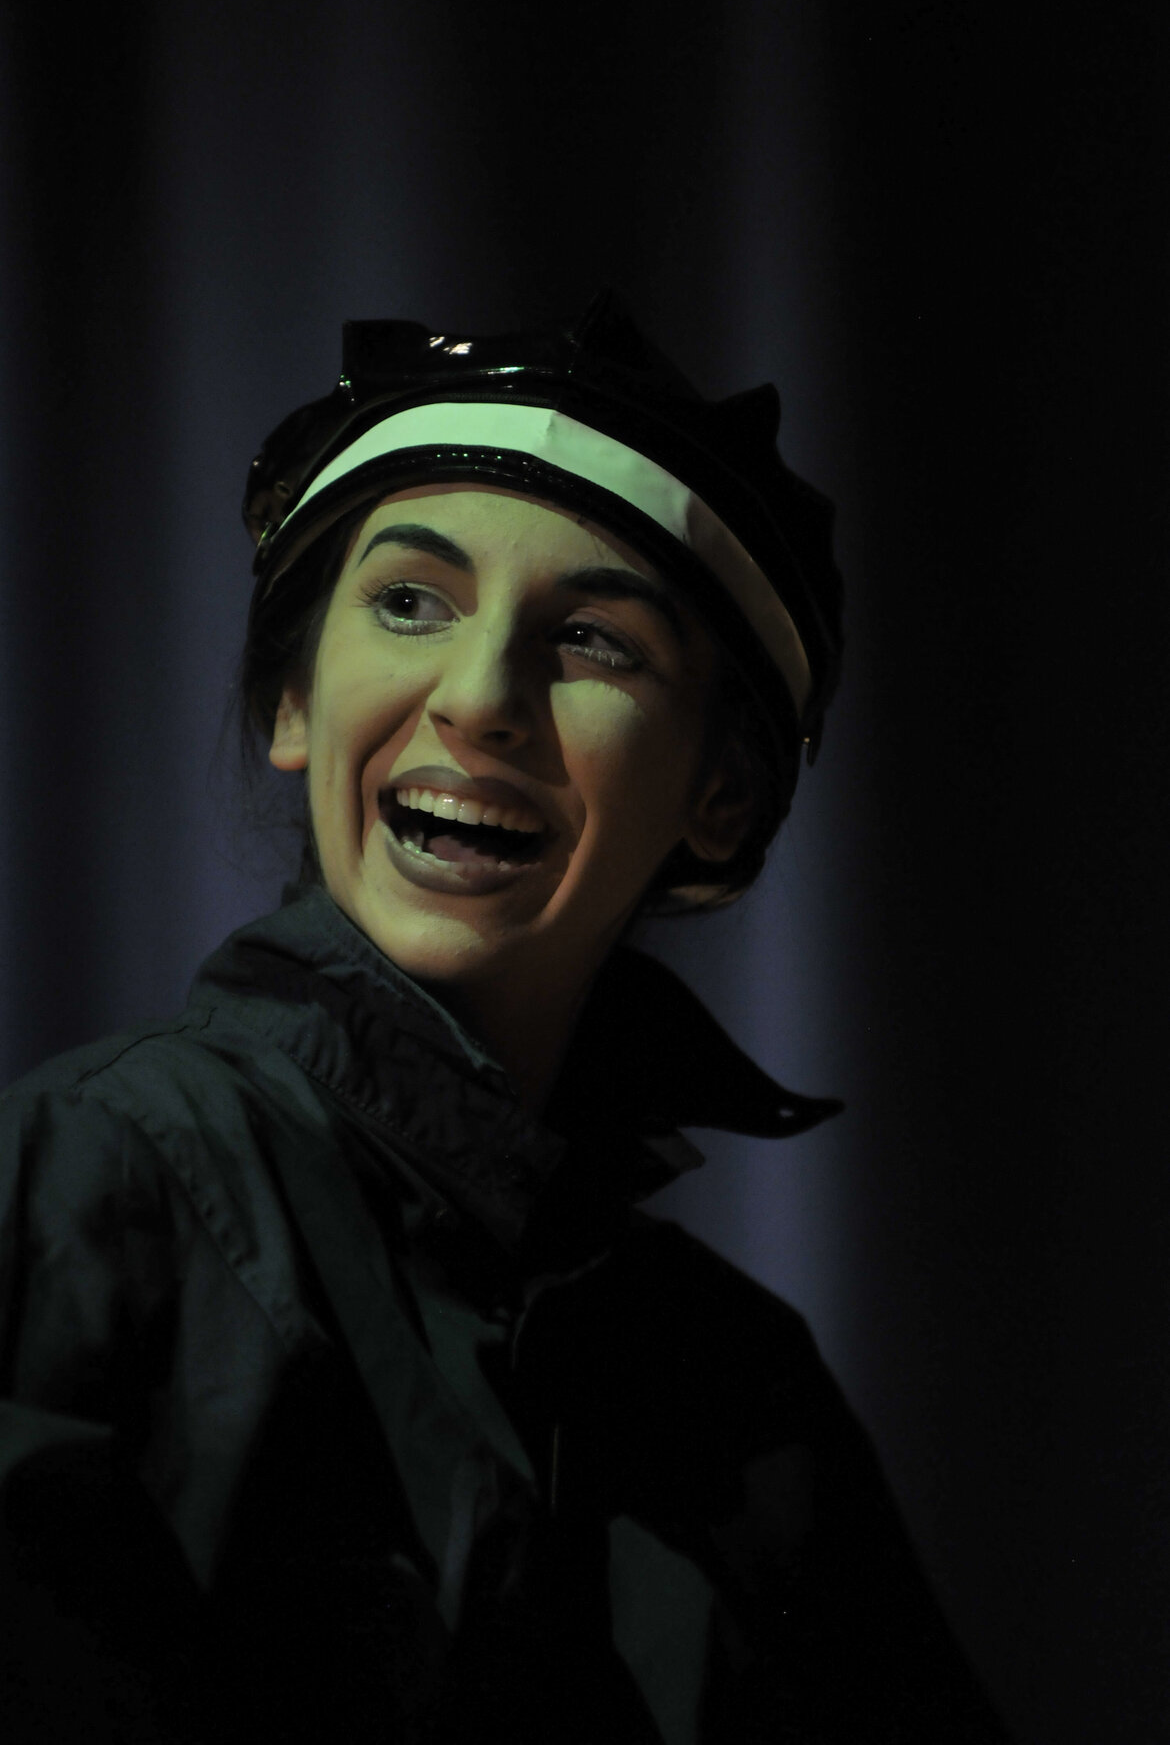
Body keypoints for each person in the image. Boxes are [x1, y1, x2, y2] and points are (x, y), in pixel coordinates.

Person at [0, 294, 1009, 1743]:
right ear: (295, 701)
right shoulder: (88, 1183)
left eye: (593, 640)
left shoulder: (744, 1392)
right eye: (410, 601)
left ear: (720, 800)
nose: (478, 701)